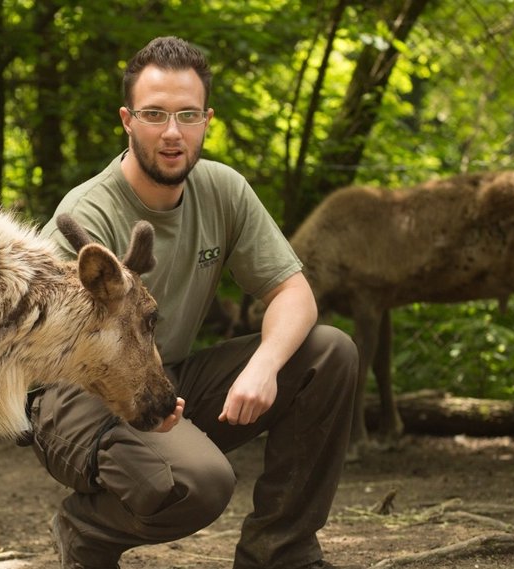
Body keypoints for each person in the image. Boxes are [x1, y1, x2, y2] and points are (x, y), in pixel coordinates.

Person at [26, 36, 359, 569]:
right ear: (127, 120)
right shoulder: (89, 213)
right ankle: (85, 531)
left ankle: (281, 554)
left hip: (166, 378)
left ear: (207, 119)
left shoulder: (224, 190)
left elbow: (293, 293)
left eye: (187, 114)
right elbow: (40, 352)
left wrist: (264, 367)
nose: (172, 132)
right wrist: (136, 398)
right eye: (154, 114)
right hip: (74, 400)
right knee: (199, 483)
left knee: (329, 353)